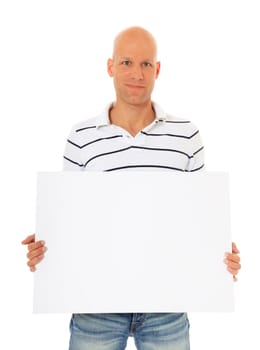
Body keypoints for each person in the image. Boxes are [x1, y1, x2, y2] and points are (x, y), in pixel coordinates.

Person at [22, 26, 241, 350]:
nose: (136, 73)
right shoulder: (81, 137)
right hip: (95, 305)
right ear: (110, 67)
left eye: (145, 64)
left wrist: (219, 255)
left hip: (166, 304)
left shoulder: (187, 136)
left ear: (157, 70)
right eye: (126, 63)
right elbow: (69, 219)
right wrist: (47, 249)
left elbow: (199, 218)